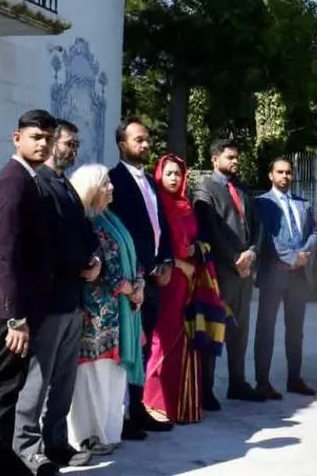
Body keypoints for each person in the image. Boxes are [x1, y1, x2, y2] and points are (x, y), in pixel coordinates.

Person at [0, 109, 56, 476]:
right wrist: (15, 317)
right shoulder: (11, 183)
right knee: (1, 395)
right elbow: (4, 255)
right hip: (6, 313)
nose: (43, 143)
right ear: (16, 138)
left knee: (10, 391)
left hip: (17, 309)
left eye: (48, 138)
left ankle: (4, 464)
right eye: (36, 137)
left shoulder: (27, 179)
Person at [14, 120, 98, 469]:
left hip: (73, 300)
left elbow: (85, 234)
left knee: (64, 381)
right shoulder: (41, 186)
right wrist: (78, 264)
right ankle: (26, 448)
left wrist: (93, 260)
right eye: (68, 143)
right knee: (38, 380)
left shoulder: (66, 186)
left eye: (76, 144)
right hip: (49, 302)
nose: (72, 150)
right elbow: (44, 246)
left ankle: (57, 442)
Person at [144, 154, 233, 423]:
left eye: (178, 174)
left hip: (189, 281)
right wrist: (179, 263)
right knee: (163, 339)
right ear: (159, 175)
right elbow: (154, 245)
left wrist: (196, 249)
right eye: (169, 173)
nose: (174, 178)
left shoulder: (186, 206)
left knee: (187, 337)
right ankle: (155, 402)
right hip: (167, 279)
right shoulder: (155, 205)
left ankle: (182, 405)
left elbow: (195, 238)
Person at [66, 164, 145, 455]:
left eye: (110, 183)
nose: (111, 188)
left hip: (122, 312)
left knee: (113, 377)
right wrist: (127, 287)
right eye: (104, 184)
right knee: (94, 378)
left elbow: (131, 257)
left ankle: (110, 433)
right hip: (97, 319)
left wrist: (139, 284)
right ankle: (90, 435)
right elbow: (93, 266)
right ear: (90, 189)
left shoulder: (111, 218)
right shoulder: (86, 223)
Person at [107, 118, 174, 434]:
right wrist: (144, 270)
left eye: (147, 139)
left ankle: (138, 407)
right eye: (139, 140)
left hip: (155, 279)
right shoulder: (113, 181)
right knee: (128, 347)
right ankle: (120, 416)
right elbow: (120, 233)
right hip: (132, 281)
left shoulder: (149, 181)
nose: (146, 144)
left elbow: (160, 226)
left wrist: (167, 261)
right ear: (122, 144)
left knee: (144, 347)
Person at [192, 139, 264, 405]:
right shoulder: (205, 190)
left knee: (240, 331)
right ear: (214, 159)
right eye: (230, 157)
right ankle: (206, 390)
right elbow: (211, 230)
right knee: (215, 328)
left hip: (245, 273)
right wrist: (235, 259)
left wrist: (252, 253)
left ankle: (238, 382)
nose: (235, 161)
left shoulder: (242, 188)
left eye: (236, 157)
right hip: (220, 273)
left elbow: (258, 226)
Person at [255, 156, 317, 399]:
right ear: (271, 175)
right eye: (280, 172)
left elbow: (315, 232)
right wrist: (291, 257)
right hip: (274, 273)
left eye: (288, 172)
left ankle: (295, 379)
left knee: (295, 330)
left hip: (298, 277)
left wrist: (304, 255)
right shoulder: (261, 203)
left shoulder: (303, 204)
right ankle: (262, 382)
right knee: (266, 329)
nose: (285, 176)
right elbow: (266, 237)